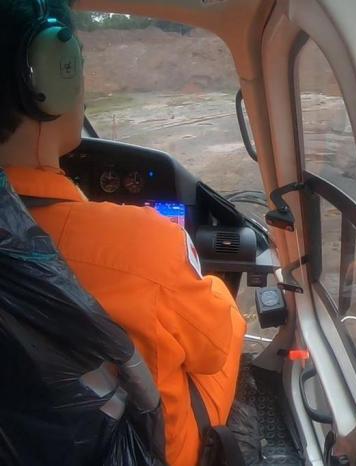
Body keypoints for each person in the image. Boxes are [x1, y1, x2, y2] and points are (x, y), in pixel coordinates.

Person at [0, 1, 246, 465]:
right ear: (54, 75)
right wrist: (210, 285)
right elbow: (212, 352)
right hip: (146, 452)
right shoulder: (143, 244)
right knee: (223, 330)